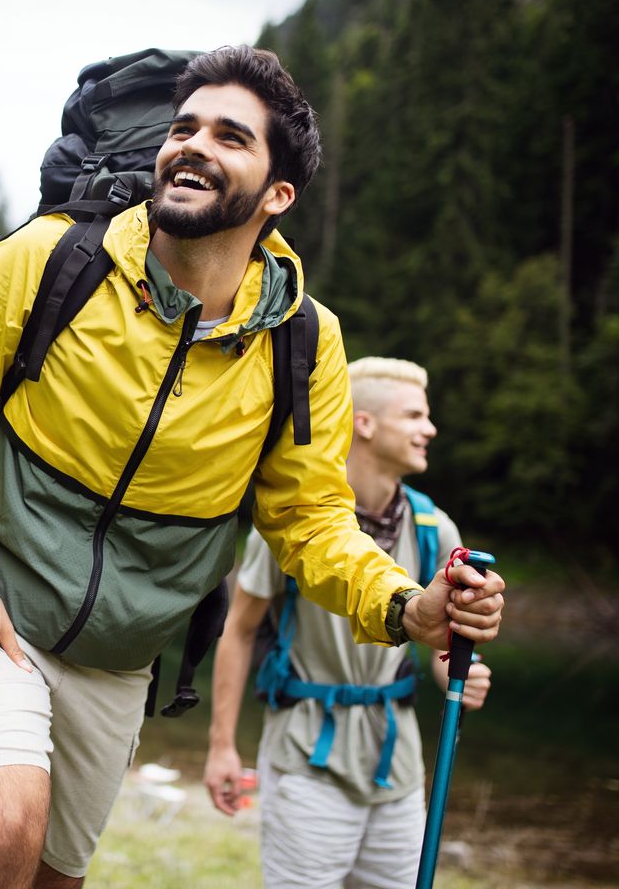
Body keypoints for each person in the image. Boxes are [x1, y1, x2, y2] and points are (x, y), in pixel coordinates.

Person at [0, 45, 507, 889]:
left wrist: (407, 606)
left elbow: (310, 520)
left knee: (50, 877)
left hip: (118, 656)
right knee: (0, 829)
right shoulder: (52, 257)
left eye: (229, 136)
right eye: (183, 127)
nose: (192, 145)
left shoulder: (303, 340)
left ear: (278, 195)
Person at [203, 356, 493, 888]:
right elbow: (239, 629)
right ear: (365, 423)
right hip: (306, 755)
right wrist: (223, 744)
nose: (429, 429)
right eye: (414, 416)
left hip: (397, 765)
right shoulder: (297, 526)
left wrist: (458, 673)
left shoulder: (435, 528)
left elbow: (440, 649)